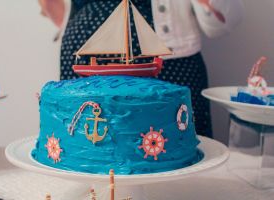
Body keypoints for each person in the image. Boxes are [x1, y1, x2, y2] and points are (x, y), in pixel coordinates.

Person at [38, 0, 244, 138]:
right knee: (83, 150)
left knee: (175, 149)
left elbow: (221, 21)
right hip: (81, 43)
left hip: (171, 55)